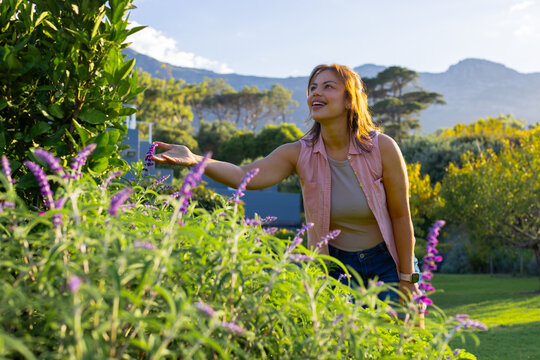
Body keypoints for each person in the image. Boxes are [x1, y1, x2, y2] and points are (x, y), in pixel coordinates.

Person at [151, 64, 421, 305]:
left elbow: (400, 216)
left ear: (350, 100)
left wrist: (407, 278)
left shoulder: (381, 148)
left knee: (400, 341)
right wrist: (195, 159)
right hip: (337, 268)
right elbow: (243, 174)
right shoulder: (298, 153)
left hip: (388, 262)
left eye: (328, 87)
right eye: (312, 88)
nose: (316, 93)